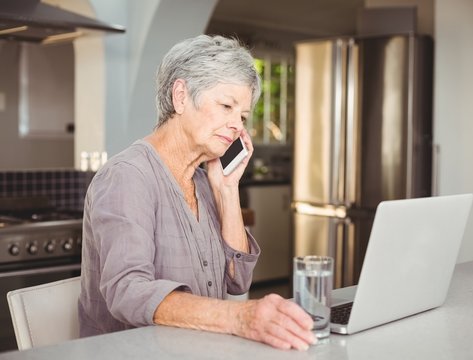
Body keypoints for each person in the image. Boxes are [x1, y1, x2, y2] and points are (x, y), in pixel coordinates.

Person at [78, 34, 316, 351]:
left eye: (242, 116)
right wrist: (240, 318)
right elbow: (127, 292)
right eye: (226, 106)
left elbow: (237, 279)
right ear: (181, 96)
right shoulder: (127, 177)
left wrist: (227, 189)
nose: (236, 125)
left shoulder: (204, 181)